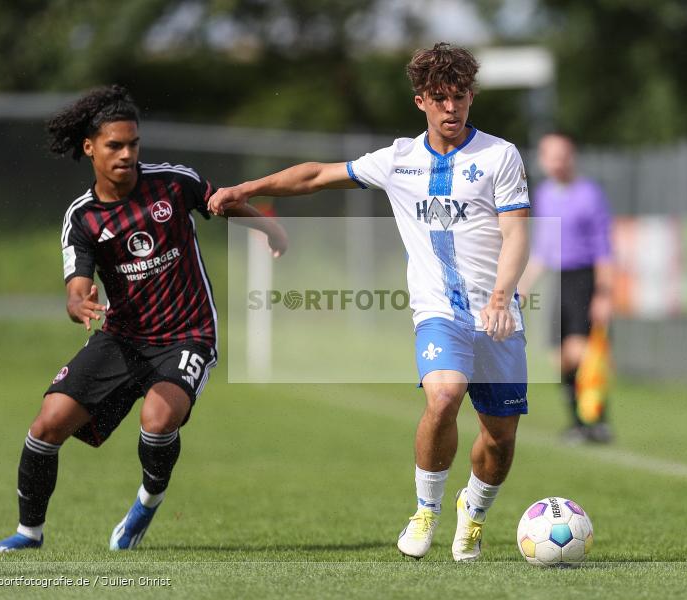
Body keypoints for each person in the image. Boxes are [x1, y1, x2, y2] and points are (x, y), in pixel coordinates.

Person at [208, 43, 530, 562]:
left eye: (461, 97)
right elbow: (315, 175)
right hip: (437, 310)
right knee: (444, 396)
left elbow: (517, 235)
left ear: (472, 97)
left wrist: (498, 297)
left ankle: (473, 514)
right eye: (441, 98)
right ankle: (426, 511)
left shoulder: (499, 156)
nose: (452, 109)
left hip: (498, 316)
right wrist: (245, 188)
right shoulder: (397, 160)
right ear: (421, 100)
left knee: (499, 441)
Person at [0, 85, 287, 552]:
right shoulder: (82, 218)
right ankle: (29, 533)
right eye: (114, 146)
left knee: (158, 418)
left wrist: (268, 227)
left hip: (189, 332)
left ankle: (148, 500)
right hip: (123, 336)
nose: (127, 154)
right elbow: (76, 289)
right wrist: (79, 303)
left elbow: (220, 204)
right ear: (90, 148)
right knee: (48, 422)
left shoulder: (171, 183)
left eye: (133, 144)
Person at [518, 134, 615, 443]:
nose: (557, 163)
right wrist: (520, 287)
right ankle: (578, 422)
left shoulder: (589, 194)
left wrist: (603, 293)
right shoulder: (545, 194)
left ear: (571, 157)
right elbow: (542, 250)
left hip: (583, 277)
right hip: (558, 278)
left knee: (582, 352)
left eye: (562, 156)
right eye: (551, 157)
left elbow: (603, 247)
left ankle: (597, 420)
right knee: (559, 356)